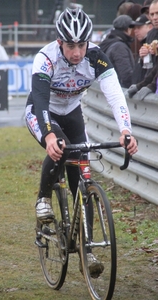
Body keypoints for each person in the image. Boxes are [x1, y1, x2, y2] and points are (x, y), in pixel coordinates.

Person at [25, 7, 138, 276]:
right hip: (42, 112)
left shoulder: (97, 58)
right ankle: (43, 199)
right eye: (71, 45)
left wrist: (126, 130)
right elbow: (40, 99)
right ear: (60, 42)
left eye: (82, 45)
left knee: (81, 175)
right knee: (60, 148)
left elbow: (115, 95)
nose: (77, 52)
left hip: (73, 113)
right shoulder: (46, 59)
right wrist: (49, 134)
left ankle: (86, 245)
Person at [99, 15, 136, 88]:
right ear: (127, 29)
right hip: (118, 90)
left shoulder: (109, 41)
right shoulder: (119, 47)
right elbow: (126, 75)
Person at [131, 14, 153, 83]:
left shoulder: (152, 46)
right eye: (135, 28)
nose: (135, 31)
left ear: (150, 27)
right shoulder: (143, 45)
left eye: (139, 27)